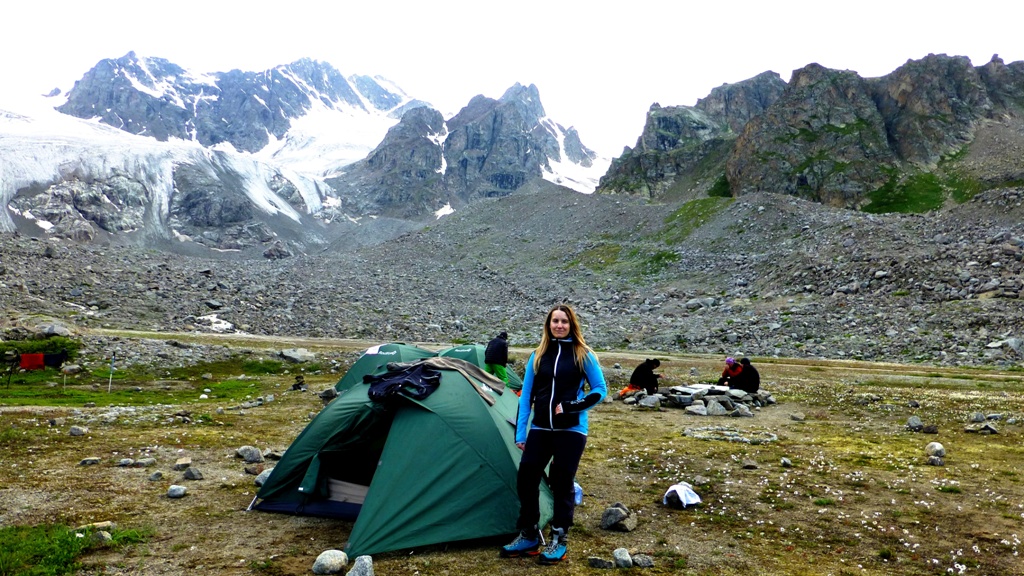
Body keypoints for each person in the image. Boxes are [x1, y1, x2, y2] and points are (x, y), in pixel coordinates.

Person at [500, 304, 607, 565]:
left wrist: (572, 406)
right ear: (548, 325)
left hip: (571, 430)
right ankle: (529, 534)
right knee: (526, 476)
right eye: (555, 321)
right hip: (540, 428)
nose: (559, 325)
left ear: (572, 325)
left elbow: (599, 389)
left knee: (561, 481)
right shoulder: (538, 355)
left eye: (564, 322)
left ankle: (559, 537)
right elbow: (525, 396)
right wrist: (521, 431)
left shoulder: (584, 354)